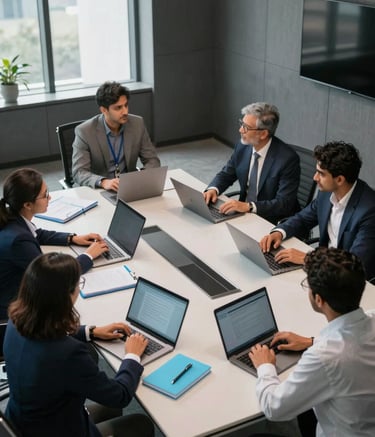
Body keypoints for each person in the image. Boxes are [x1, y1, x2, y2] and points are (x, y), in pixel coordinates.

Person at [4, 252, 154, 437]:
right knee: (140, 423)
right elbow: (120, 395)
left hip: (23, 421)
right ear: (66, 296)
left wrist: (90, 332)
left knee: (109, 410)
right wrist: (132, 356)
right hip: (56, 429)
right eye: (78, 285)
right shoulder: (68, 354)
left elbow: (45, 333)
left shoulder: (15, 320)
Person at [249, 247, 375, 437]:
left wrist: (265, 366)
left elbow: (274, 408)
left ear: (318, 299)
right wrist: (311, 341)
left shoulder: (324, 357)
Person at [0, 168, 108, 319]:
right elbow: (53, 278)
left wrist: (72, 238)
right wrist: (88, 256)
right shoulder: (18, 241)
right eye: (45, 195)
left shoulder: (12, 218)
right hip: (11, 313)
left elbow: (37, 234)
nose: (49, 197)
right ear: (27, 205)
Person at [260, 140, 375, 282]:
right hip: (321, 271)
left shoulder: (370, 210)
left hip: (346, 282)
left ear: (339, 179)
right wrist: (279, 232)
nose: (315, 178)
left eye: (321, 174)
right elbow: (303, 219)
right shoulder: (327, 192)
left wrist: (308, 259)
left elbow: (356, 265)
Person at [203, 102, 300, 224]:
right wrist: (213, 189)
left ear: (263, 134)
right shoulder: (243, 146)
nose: (240, 130)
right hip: (243, 214)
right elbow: (227, 174)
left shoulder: (287, 159)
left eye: (246, 127)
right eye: (241, 123)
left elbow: (284, 203)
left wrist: (249, 206)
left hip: (272, 220)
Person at [72, 81, 160, 191]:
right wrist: (103, 182)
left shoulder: (137, 124)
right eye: (118, 108)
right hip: (100, 189)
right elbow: (79, 172)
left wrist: (140, 178)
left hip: (129, 187)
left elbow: (152, 160)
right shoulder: (84, 131)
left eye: (126, 105)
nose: (125, 111)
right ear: (104, 110)